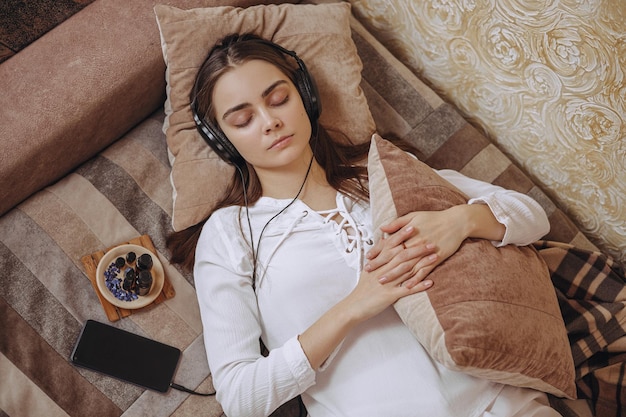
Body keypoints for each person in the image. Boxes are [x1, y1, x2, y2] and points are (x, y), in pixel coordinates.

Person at [167, 33, 558, 417]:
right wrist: (354, 306)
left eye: (279, 99)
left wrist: (459, 222)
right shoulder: (229, 233)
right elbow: (240, 398)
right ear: (223, 139)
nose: (269, 121)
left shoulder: (379, 171)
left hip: (505, 404)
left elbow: (532, 216)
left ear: (306, 96)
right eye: (243, 119)